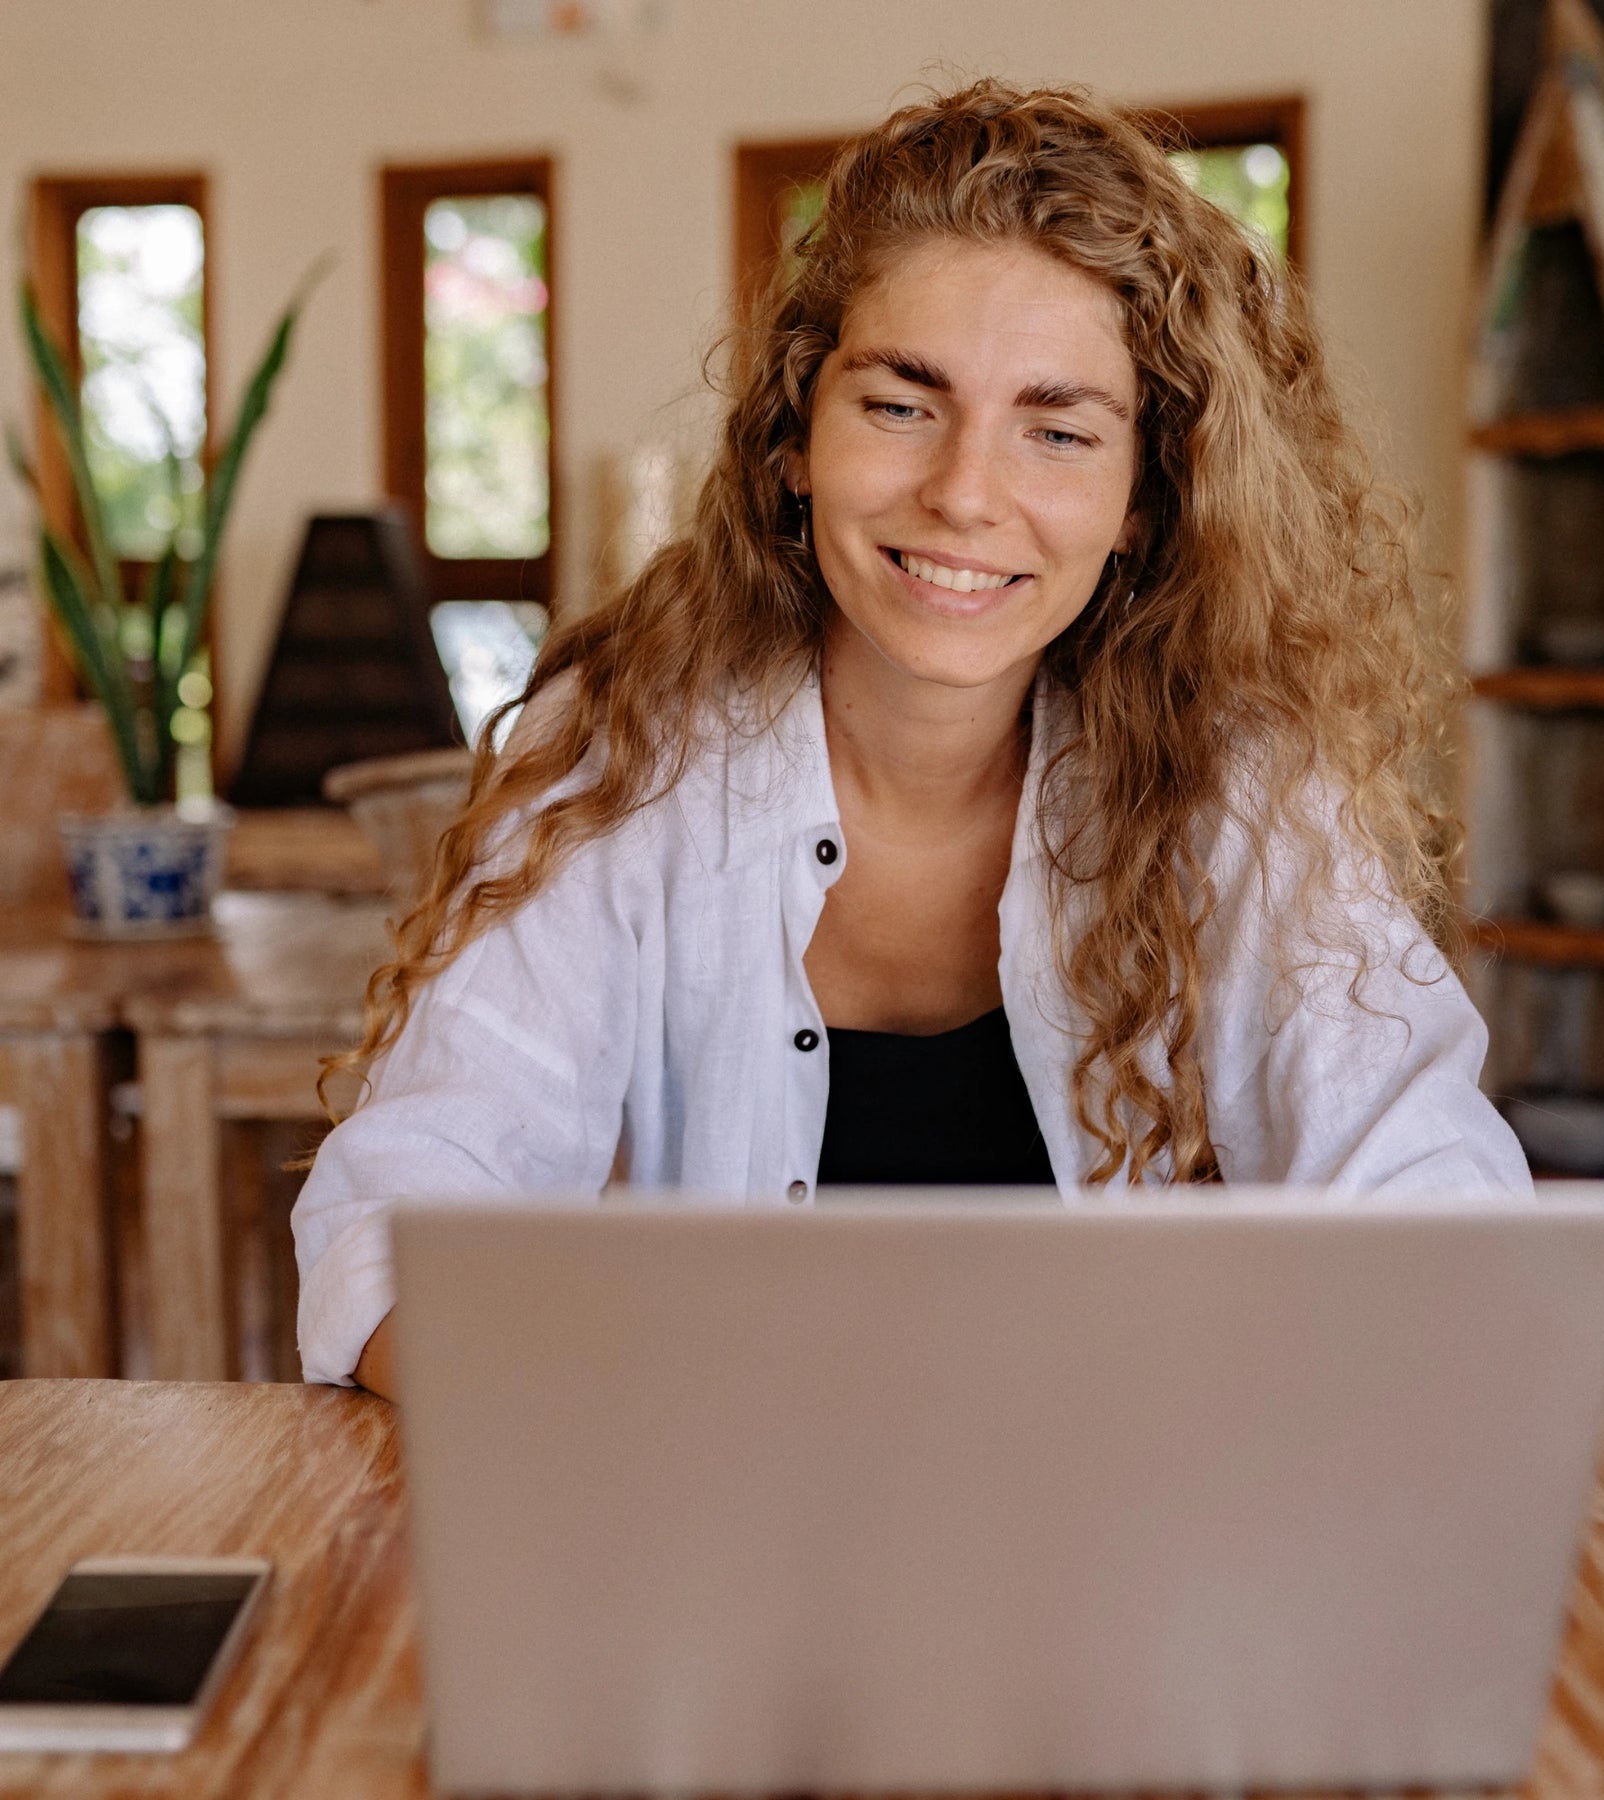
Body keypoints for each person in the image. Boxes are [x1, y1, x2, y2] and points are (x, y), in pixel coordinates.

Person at [294, 80, 1529, 1398]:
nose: (963, 495)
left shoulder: (1237, 780)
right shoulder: (624, 746)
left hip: (1127, 1539)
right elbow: (404, 1208)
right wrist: (603, 1414)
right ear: (793, 438)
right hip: (724, 1536)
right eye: (900, 404)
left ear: (1140, 503)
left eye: (1057, 431)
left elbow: (1433, 1199)